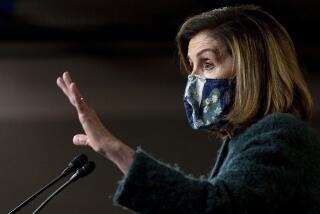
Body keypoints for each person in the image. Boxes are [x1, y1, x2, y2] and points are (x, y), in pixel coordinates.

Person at [56, 5, 320, 214]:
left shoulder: (283, 134)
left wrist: (113, 148)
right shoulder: (246, 139)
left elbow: (215, 208)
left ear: (253, 68)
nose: (193, 80)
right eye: (191, 67)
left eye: (207, 63)